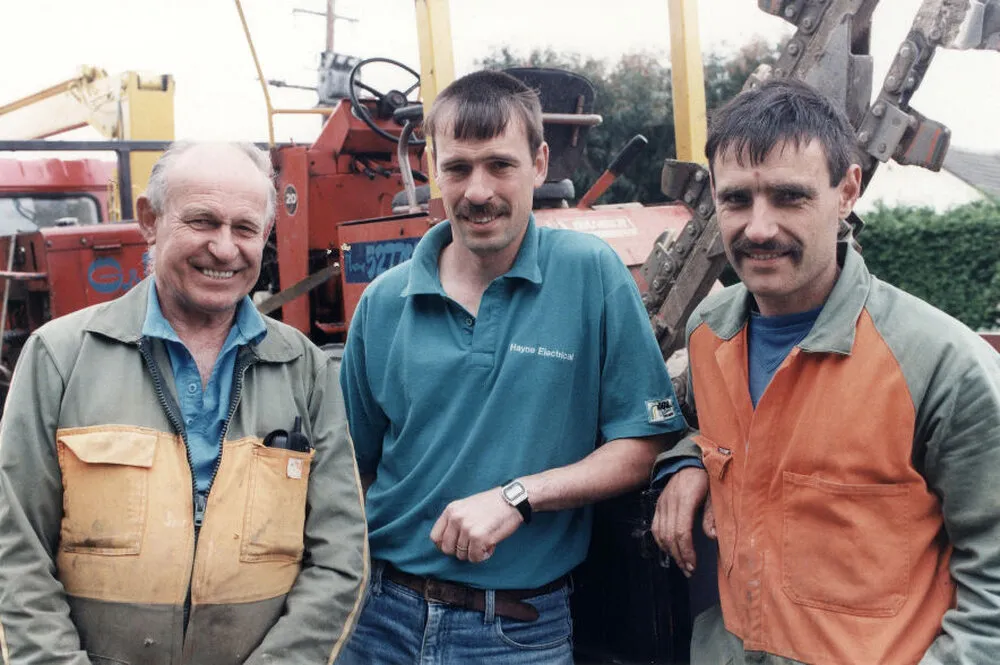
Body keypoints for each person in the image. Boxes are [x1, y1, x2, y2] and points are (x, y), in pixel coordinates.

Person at [337, 69, 687, 664]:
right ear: (430, 170)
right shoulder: (383, 301)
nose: (478, 191)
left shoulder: (590, 275)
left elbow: (642, 442)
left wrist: (518, 496)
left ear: (540, 163)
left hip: (516, 631)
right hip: (379, 621)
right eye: (458, 168)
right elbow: (352, 469)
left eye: (500, 165)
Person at [651, 78, 1000, 664]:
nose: (758, 228)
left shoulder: (942, 367)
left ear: (847, 191)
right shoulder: (710, 335)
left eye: (790, 197)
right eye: (737, 199)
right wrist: (687, 462)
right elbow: (713, 433)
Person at [0, 142, 368, 664]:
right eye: (202, 222)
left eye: (244, 229)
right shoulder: (60, 357)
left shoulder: (303, 368)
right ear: (149, 220)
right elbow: (14, 550)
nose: (223, 249)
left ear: (265, 236)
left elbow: (340, 556)